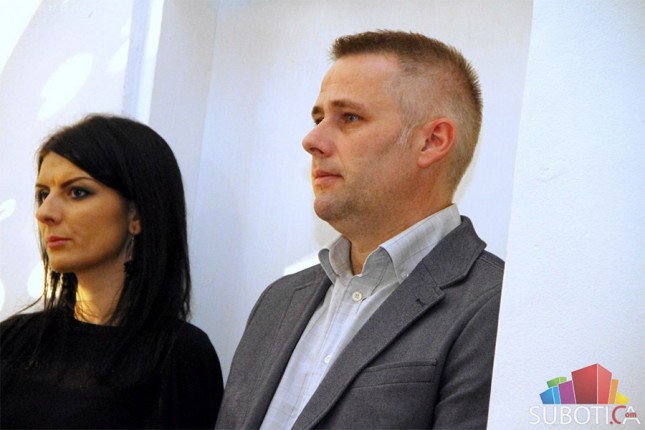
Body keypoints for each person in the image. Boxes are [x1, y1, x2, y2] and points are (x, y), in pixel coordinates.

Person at [216, 30, 504, 429]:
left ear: (431, 141)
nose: (312, 140)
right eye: (318, 118)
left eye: (349, 117)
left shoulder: (497, 308)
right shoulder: (277, 301)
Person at [0, 114, 223, 429]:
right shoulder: (12, 341)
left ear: (137, 214)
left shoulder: (179, 356)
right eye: (43, 194)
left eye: (77, 192)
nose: (45, 212)